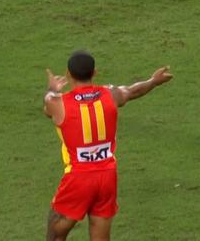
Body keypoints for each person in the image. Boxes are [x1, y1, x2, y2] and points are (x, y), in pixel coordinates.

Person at [44, 51, 173, 240]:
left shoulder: (59, 103)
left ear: (68, 74)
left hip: (79, 177)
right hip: (107, 176)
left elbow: (48, 106)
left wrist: (52, 88)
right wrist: (153, 80)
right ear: (94, 72)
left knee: (55, 233)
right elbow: (133, 91)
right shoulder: (110, 94)